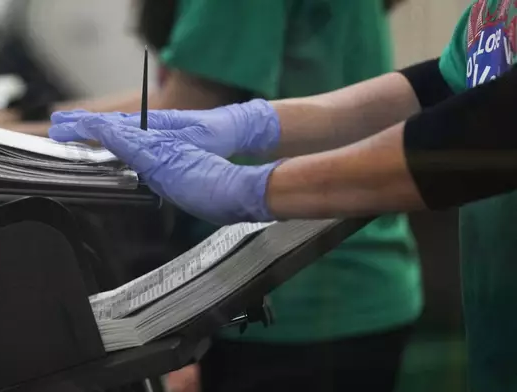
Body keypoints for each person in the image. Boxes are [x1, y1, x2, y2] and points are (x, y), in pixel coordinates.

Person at [47, 0, 517, 390]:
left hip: (313, 299)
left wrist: (255, 186)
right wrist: (255, 123)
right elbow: (447, 84)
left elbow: (492, 129)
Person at [0, 1, 421, 391]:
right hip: (346, 273)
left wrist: (5, 132)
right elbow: (174, 99)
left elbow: (188, 106)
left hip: (300, 293)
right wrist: (21, 120)